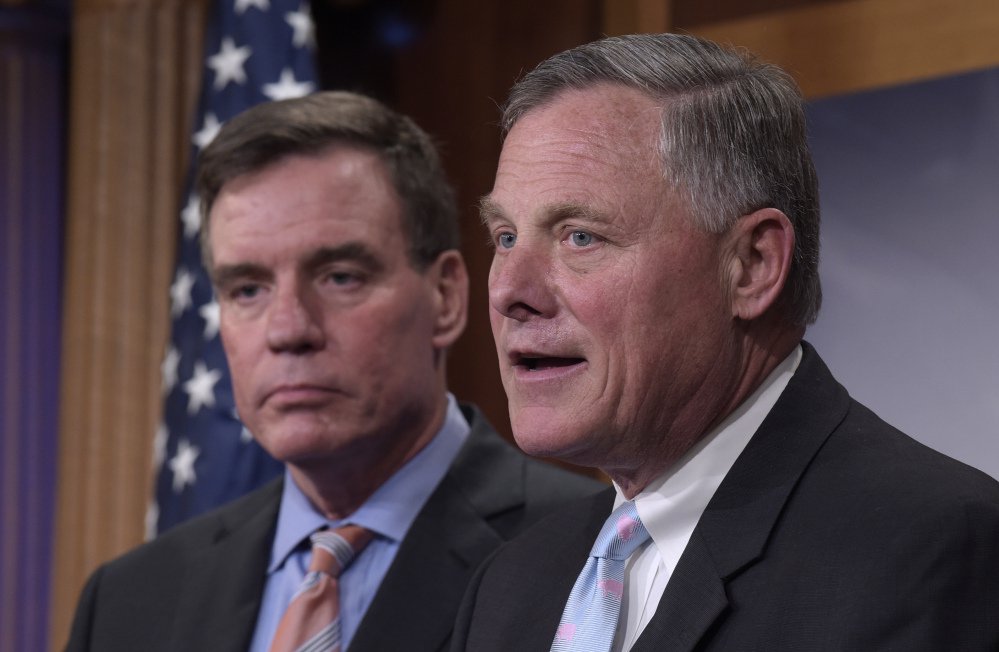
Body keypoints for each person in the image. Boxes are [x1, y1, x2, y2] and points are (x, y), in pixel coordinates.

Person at [453, 33, 999, 652]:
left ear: (752, 264)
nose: (509, 292)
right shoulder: (512, 585)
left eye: (579, 236)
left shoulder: (934, 551)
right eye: (504, 237)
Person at [65, 91, 601, 652]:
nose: (289, 329)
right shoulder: (130, 600)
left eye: (340, 277)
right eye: (247, 289)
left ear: (445, 296)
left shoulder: (588, 556)